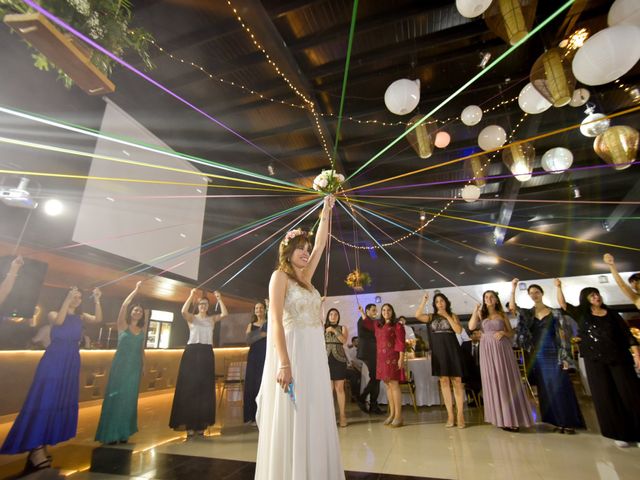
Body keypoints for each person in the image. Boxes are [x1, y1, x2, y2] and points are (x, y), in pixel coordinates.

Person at [255, 195, 344, 480]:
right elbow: (276, 322)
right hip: (292, 350)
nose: (306, 253)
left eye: (306, 250)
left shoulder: (307, 278)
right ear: (288, 251)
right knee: (293, 411)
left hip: (314, 352)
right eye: (301, 249)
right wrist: (284, 363)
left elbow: (321, 243)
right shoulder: (279, 277)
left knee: (314, 409)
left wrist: (326, 210)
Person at [0, 286, 102, 473]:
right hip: (54, 360)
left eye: (79, 297)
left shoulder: (81, 317)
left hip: (71, 362)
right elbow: (60, 321)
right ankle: (36, 448)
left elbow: (99, 319)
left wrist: (96, 299)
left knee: (57, 403)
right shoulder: (54, 313)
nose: (77, 299)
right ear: (66, 296)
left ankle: (42, 444)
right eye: (73, 295)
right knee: (45, 401)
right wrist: (67, 299)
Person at [555, 278, 640, 447]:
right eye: (592, 296)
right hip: (595, 361)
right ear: (586, 298)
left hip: (619, 358)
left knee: (630, 393)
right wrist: (558, 287)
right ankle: (619, 433)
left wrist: (636, 354)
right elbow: (563, 304)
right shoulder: (582, 314)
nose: (596, 298)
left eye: (597, 295)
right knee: (606, 395)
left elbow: (627, 334)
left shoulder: (613, 314)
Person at [510, 279, 584, 434]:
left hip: (555, 352)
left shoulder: (554, 312)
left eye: (536, 292)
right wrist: (513, 288)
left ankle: (568, 422)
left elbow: (562, 335)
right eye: (531, 293)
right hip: (538, 356)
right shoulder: (528, 314)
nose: (534, 295)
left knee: (562, 386)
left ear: (542, 293)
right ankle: (556, 422)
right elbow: (512, 307)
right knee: (547, 388)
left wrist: (565, 357)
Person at [469, 290, 533, 432]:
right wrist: (475, 310)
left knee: (506, 381)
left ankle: (511, 418)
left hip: (502, 350)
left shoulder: (502, 314)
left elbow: (511, 333)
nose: (489, 299)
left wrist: (504, 332)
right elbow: (471, 327)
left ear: (496, 300)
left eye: (491, 297)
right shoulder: (482, 314)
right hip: (487, 351)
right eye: (486, 297)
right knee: (493, 382)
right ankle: (500, 418)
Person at [169, 289, 227, 438]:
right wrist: (190, 296)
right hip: (192, 353)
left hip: (207, 353)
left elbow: (225, 314)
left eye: (206, 304)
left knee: (204, 389)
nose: (203, 306)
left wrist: (219, 299)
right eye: (201, 303)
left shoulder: (211, 319)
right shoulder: (192, 318)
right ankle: (189, 424)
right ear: (198, 305)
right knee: (190, 388)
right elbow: (183, 311)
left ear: (208, 306)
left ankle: (201, 424)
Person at [95, 281, 148, 444]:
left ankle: (124, 431)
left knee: (129, 399)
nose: (137, 312)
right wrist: (135, 290)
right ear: (131, 312)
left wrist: (144, 365)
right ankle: (111, 433)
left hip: (134, 368)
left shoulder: (141, 330)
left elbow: (141, 350)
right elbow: (124, 305)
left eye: (140, 311)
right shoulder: (122, 325)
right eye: (135, 309)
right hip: (121, 366)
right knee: (116, 397)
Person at [415, 292, 466, 428]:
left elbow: (459, 330)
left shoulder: (453, 315)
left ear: (446, 302)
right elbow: (417, 316)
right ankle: (450, 415)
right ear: (435, 304)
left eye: (442, 301)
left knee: (457, 381)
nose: (440, 303)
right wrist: (423, 301)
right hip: (439, 353)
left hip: (452, 351)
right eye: (437, 302)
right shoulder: (431, 317)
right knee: (444, 381)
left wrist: (447, 316)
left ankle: (460, 414)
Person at [373, 303, 405, 428]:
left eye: (388, 310)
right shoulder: (379, 326)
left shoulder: (397, 325)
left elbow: (401, 343)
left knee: (394, 385)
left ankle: (399, 416)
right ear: (381, 312)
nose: (386, 312)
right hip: (381, 359)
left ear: (392, 312)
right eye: (384, 310)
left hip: (392, 358)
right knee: (387, 386)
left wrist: (401, 359)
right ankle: (392, 414)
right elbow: (367, 321)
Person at [243, 300, 268, 424]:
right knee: (252, 385)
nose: (259, 310)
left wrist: (259, 335)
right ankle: (251, 416)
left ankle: (264, 416)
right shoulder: (250, 325)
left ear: (265, 310)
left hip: (267, 355)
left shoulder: (270, 323)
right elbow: (248, 341)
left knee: (264, 384)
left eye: (261, 308)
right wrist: (262, 334)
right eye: (257, 308)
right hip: (254, 357)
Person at [357, 303, 383, 414]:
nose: (375, 312)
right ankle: (362, 398)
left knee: (376, 378)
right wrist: (362, 313)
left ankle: (373, 405)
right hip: (368, 352)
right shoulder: (363, 320)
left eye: (376, 310)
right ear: (367, 311)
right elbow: (372, 330)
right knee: (376, 378)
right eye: (373, 310)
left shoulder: (373, 321)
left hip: (374, 353)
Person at [324, 308, 349, 427]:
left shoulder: (342, 328)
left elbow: (343, 340)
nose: (333, 316)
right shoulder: (322, 328)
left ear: (338, 317)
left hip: (339, 360)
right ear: (328, 316)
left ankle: (342, 415)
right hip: (325, 361)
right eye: (331, 314)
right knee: (328, 390)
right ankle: (329, 417)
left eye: (335, 314)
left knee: (340, 388)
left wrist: (334, 330)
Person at [460, 329, 482, 406]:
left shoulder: (484, 344)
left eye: (479, 334)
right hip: (469, 370)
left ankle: (477, 399)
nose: (478, 335)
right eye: (475, 334)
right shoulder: (465, 345)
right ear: (471, 336)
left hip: (482, 369)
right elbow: (462, 359)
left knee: (477, 376)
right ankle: (476, 399)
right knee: (467, 377)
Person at [345, 337, 362, 401]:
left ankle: (358, 394)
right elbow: (352, 363)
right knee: (355, 376)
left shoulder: (361, 349)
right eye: (356, 341)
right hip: (349, 368)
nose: (358, 342)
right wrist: (358, 369)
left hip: (358, 367)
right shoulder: (349, 350)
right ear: (353, 342)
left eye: (358, 341)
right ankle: (355, 395)